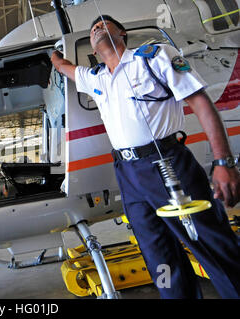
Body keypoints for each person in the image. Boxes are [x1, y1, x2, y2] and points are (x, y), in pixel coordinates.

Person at [51, 15, 240, 298]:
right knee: (159, 256)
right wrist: (51, 54)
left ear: (122, 33)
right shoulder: (96, 78)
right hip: (128, 175)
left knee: (212, 244)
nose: (98, 29)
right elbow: (64, 67)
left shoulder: (154, 57)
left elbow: (200, 102)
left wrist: (223, 162)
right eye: (92, 30)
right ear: (92, 49)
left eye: (103, 25)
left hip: (168, 163)